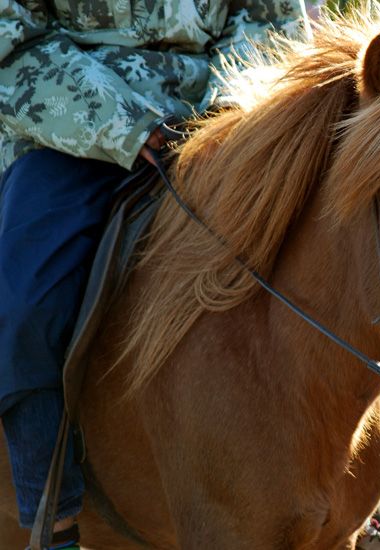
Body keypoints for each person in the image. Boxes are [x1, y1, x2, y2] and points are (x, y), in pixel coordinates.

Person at [0, 0, 307, 546]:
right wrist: (126, 124)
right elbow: (12, 41)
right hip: (68, 130)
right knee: (26, 305)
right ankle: (54, 521)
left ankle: (368, 498)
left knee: (344, 251)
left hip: (228, 126)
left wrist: (231, 120)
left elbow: (272, 25)